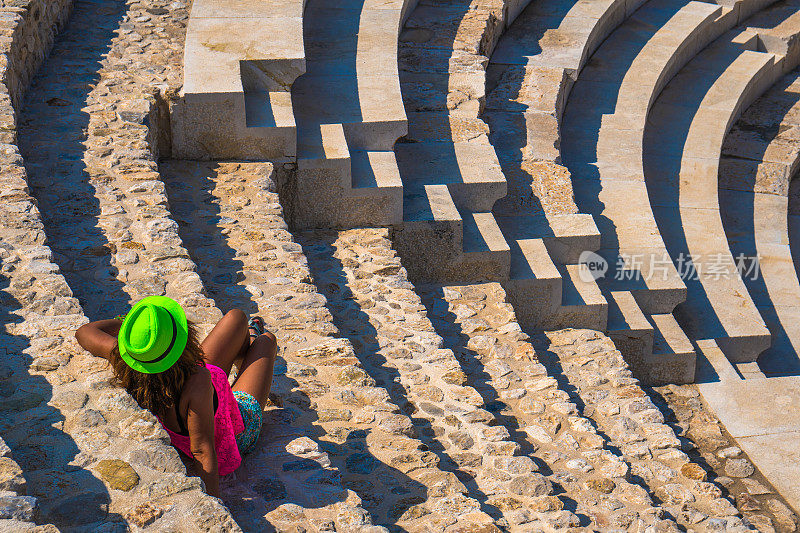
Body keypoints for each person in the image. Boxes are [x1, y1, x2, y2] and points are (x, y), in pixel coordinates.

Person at [75, 296, 277, 497]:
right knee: (266, 342)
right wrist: (215, 501)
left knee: (236, 317)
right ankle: (252, 337)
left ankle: (249, 338)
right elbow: (202, 451)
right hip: (235, 429)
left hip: (182, 378)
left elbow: (84, 332)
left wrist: (139, 331)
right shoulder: (197, 380)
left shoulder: (127, 360)